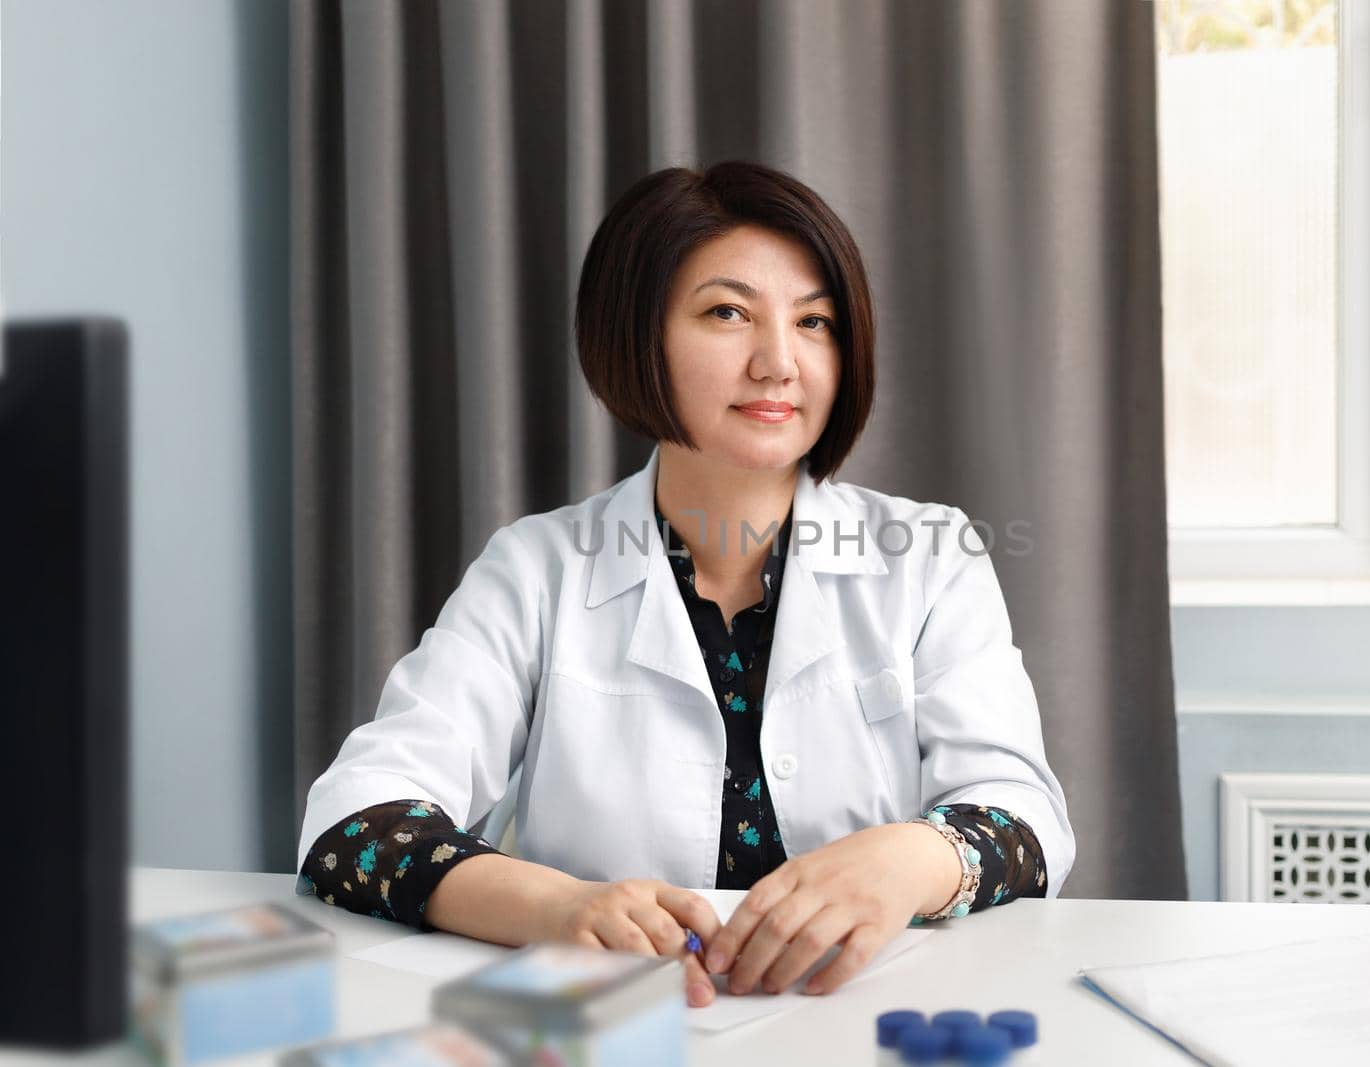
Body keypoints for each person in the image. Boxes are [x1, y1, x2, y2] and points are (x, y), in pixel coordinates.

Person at [296, 160, 1074, 1009]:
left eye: (814, 322)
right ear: (637, 336)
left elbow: (1023, 820)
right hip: (612, 1021)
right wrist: (555, 907)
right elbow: (354, 823)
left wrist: (907, 860)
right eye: (728, 312)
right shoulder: (537, 569)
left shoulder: (930, 557)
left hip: (868, 1018)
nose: (779, 362)